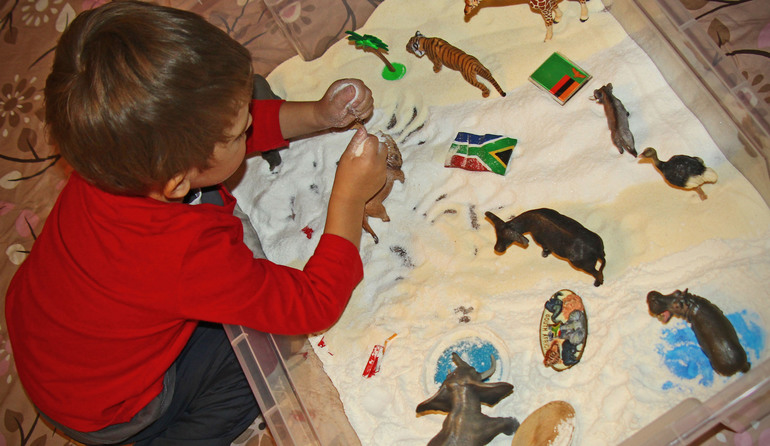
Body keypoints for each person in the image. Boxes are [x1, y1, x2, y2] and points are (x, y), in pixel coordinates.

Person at [4, 1, 386, 445]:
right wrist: (349, 198)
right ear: (176, 181)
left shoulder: (112, 157)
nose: (251, 121)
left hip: (53, 338)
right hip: (110, 407)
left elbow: (211, 133)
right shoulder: (184, 252)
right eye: (241, 130)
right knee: (261, 363)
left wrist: (318, 115)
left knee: (213, 177)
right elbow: (313, 305)